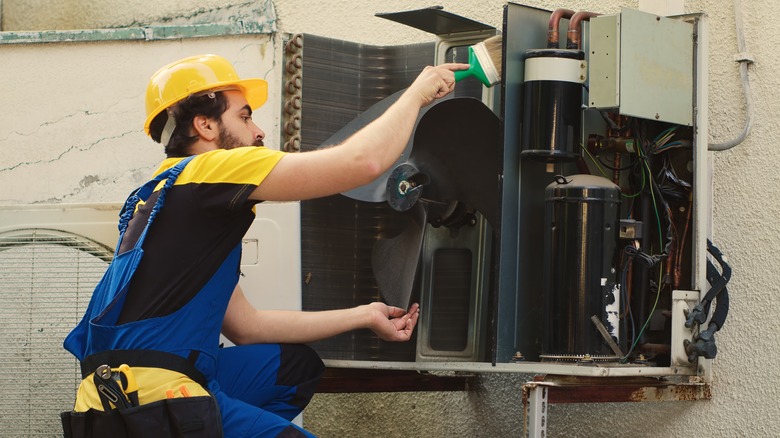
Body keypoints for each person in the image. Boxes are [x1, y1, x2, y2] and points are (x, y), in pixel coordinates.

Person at [62, 54, 467, 437]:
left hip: (108, 400)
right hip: (157, 398)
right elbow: (362, 163)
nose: (258, 132)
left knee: (292, 367)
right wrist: (419, 91)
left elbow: (248, 328)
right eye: (243, 115)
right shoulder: (212, 169)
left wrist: (365, 314)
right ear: (205, 126)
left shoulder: (162, 198)